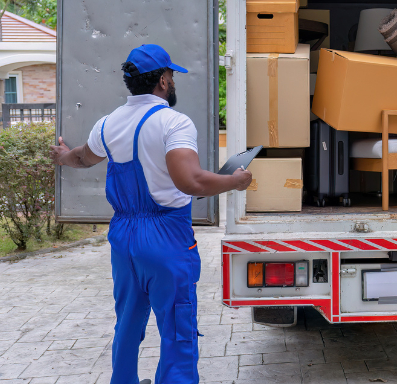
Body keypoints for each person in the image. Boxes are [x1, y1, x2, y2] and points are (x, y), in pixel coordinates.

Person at [50, 44, 252, 384]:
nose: (173, 81)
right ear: (162, 81)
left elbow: (84, 158)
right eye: (171, 75)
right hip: (165, 237)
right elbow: (190, 181)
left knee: (127, 320)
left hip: (124, 237)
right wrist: (236, 180)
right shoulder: (173, 122)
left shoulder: (108, 123)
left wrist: (62, 156)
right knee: (176, 325)